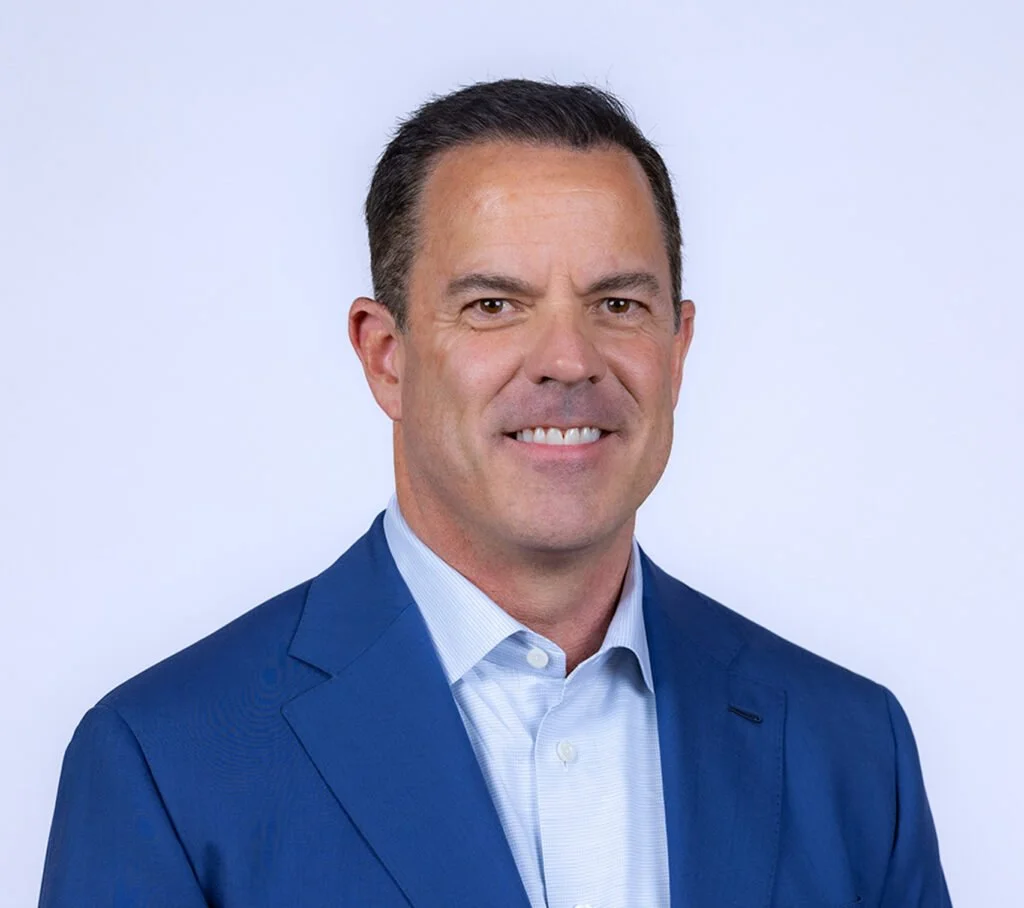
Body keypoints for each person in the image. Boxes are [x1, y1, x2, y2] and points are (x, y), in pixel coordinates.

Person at [39, 79, 951, 908]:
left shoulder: (852, 751)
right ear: (385, 356)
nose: (567, 360)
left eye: (619, 305)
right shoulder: (164, 763)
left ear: (677, 349)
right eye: (493, 305)